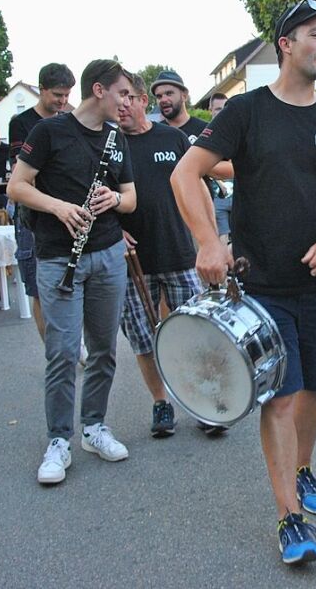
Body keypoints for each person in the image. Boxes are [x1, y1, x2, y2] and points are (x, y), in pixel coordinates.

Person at [172, 0, 316, 564]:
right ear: (285, 44)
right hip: (262, 289)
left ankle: (303, 470)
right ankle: (290, 517)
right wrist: (209, 241)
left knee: (315, 388)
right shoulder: (246, 112)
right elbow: (186, 173)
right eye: (315, 33)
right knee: (280, 400)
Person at [8, 58, 137, 486]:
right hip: (58, 257)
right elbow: (17, 186)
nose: (128, 103)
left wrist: (113, 201)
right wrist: (59, 206)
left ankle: (94, 427)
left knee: (104, 350)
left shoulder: (117, 140)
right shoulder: (49, 131)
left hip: (107, 254)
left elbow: (131, 197)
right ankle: (58, 440)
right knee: (63, 353)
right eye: (123, 94)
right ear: (99, 90)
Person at [117, 71, 201, 438]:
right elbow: (99, 198)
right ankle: (160, 402)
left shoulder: (174, 138)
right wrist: (113, 231)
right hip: (134, 259)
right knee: (142, 337)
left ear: (141, 101)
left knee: (195, 332)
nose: (120, 105)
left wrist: (207, 240)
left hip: (179, 252)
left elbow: (196, 189)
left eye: (127, 98)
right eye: (115, 99)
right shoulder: (109, 145)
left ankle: (201, 400)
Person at [9, 62, 77, 341]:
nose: (62, 102)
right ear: (42, 90)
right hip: (33, 214)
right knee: (40, 286)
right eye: (57, 95)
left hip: (67, 211)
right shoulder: (22, 123)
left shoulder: (70, 120)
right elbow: (24, 174)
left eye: (66, 96)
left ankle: (72, 341)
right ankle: (52, 348)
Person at [209, 92, 234, 243]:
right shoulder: (206, 134)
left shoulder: (235, 132)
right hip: (217, 199)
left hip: (238, 197)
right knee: (222, 240)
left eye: (225, 108)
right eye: (218, 109)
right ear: (210, 110)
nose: (222, 112)